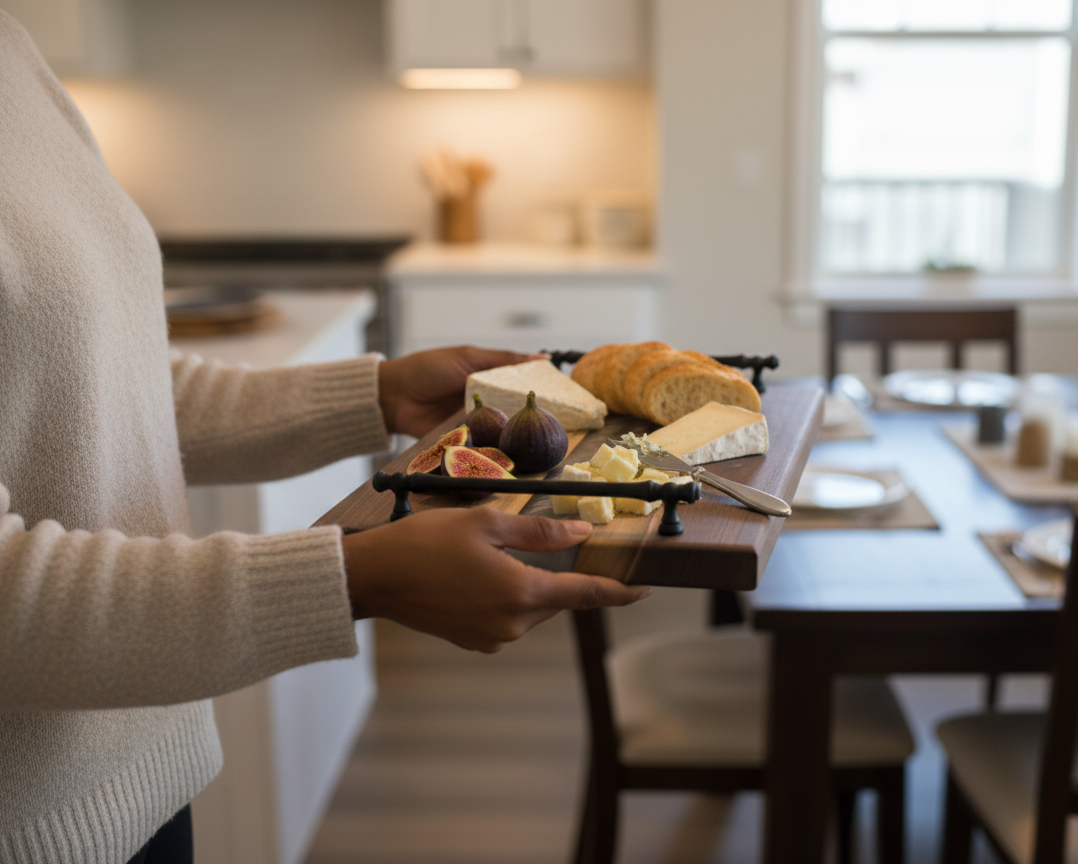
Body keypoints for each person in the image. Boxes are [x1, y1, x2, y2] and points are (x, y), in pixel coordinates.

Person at [0, 11, 649, 864]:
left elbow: (104, 385)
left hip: (145, 774)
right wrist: (354, 577)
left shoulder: (14, 49)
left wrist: (373, 393)